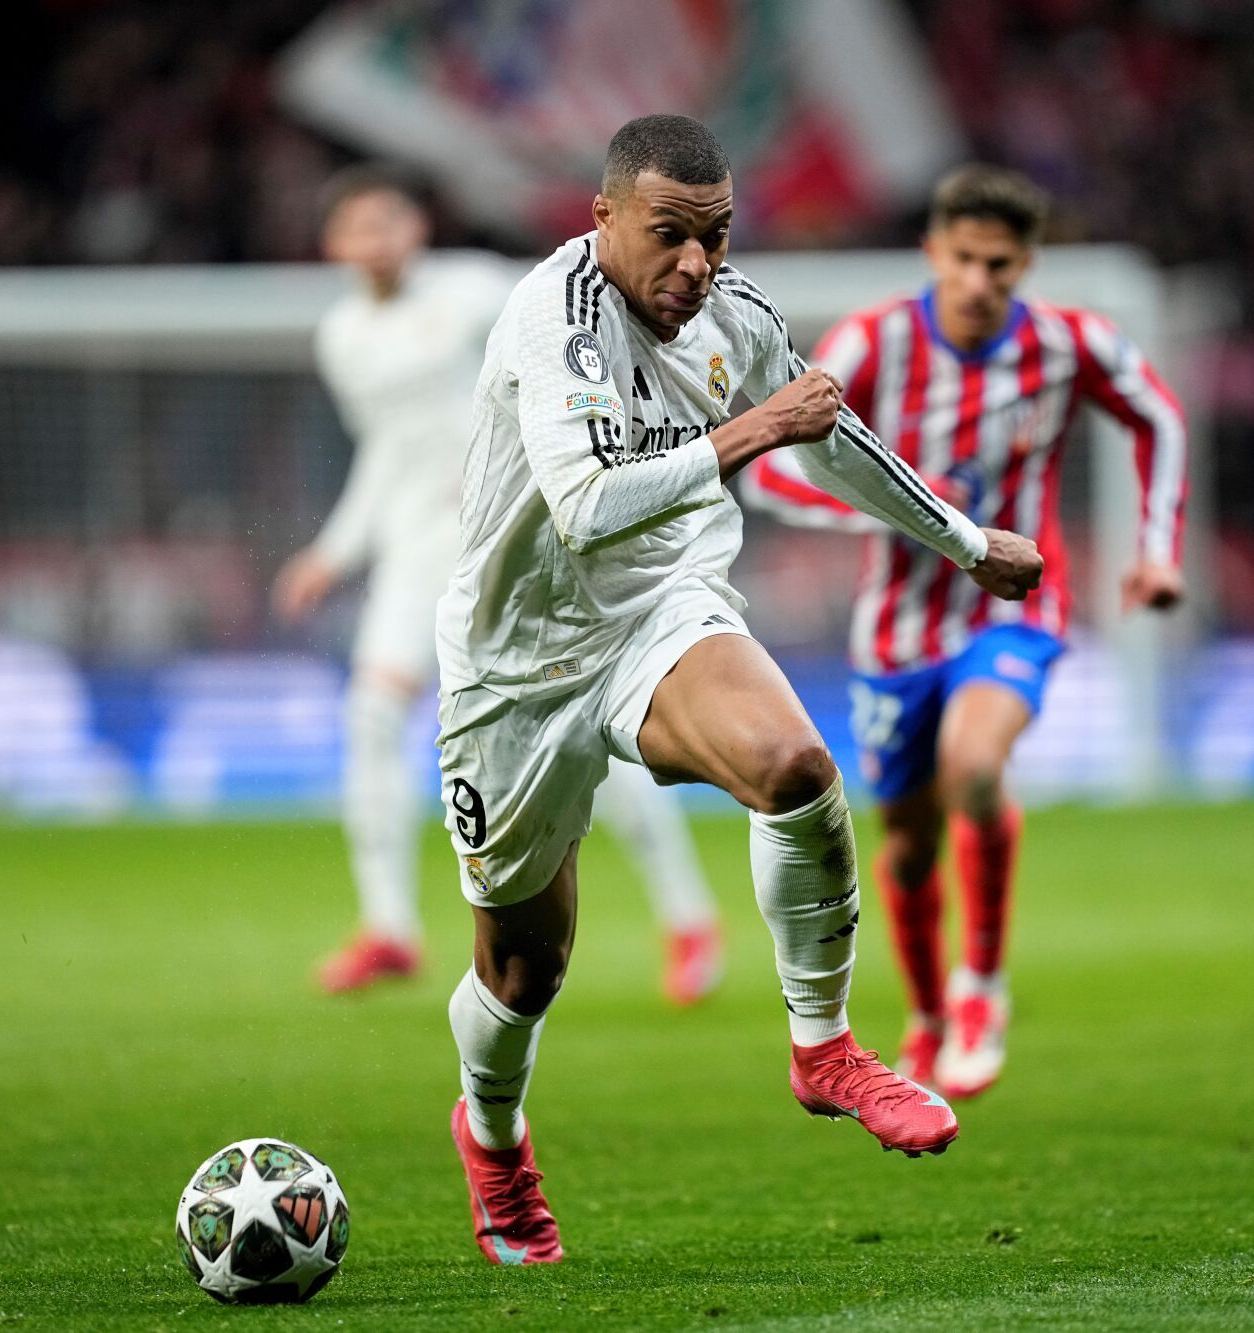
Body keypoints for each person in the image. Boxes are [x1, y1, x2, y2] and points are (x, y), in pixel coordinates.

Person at [436, 115, 1043, 1265]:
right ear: (602, 217)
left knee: (796, 768)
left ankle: (822, 1048)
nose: (695, 266)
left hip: (660, 611)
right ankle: (495, 1133)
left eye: (714, 237)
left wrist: (963, 542)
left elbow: (834, 438)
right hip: (512, 661)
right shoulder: (550, 319)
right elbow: (585, 506)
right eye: (668, 236)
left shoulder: (736, 315)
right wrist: (756, 427)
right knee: (523, 969)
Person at [745, 164, 1188, 1101]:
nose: (983, 281)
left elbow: (1158, 416)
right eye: (966, 260)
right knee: (904, 841)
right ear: (933, 253)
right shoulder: (874, 341)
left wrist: (1155, 549)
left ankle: (981, 985)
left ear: (1025, 264)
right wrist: (875, 508)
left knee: (974, 768)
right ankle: (930, 1013)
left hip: (1012, 608)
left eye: (1002, 264)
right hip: (897, 630)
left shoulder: (1072, 343)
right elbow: (769, 466)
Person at [273, 166, 726, 1006]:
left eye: (389, 220)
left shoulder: (481, 289)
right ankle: (389, 929)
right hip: (415, 548)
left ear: (415, 227)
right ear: (336, 245)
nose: (376, 240)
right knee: (373, 711)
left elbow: (579, 345)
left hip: (508, 535)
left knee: (578, 729)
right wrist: (333, 551)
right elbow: (386, 448)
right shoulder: (341, 336)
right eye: (358, 228)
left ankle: (690, 916)